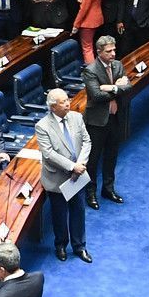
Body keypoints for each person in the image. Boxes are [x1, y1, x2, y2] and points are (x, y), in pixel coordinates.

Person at [34, 88, 93, 263]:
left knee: (78, 211)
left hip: (78, 175)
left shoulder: (76, 117)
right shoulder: (42, 126)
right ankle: (60, 245)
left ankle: (79, 246)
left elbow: (87, 141)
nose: (68, 103)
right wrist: (72, 166)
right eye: (63, 102)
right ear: (53, 107)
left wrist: (80, 164)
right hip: (57, 178)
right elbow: (48, 153)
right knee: (59, 214)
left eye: (67, 99)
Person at [81, 37, 131, 206]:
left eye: (114, 50)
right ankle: (90, 192)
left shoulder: (118, 65)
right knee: (93, 159)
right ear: (99, 52)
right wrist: (118, 88)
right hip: (97, 121)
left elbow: (128, 87)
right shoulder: (90, 70)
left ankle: (108, 189)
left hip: (115, 118)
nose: (113, 54)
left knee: (111, 155)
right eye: (109, 51)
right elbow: (96, 95)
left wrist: (111, 87)